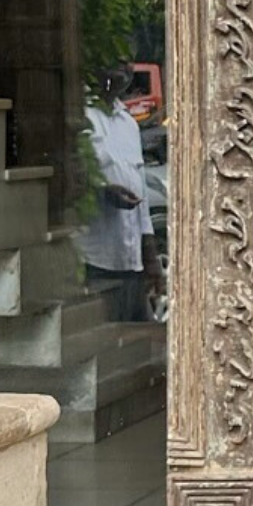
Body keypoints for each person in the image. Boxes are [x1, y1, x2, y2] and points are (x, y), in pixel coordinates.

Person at [79, 63, 158, 322]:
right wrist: (103, 192)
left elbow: (141, 189)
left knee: (138, 345)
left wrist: (150, 256)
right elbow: (70, 178)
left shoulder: (128, 123)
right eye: (114, 61)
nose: (122, 69)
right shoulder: (83, 115)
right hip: (95, 261)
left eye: (127, 62)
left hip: (131, 261)